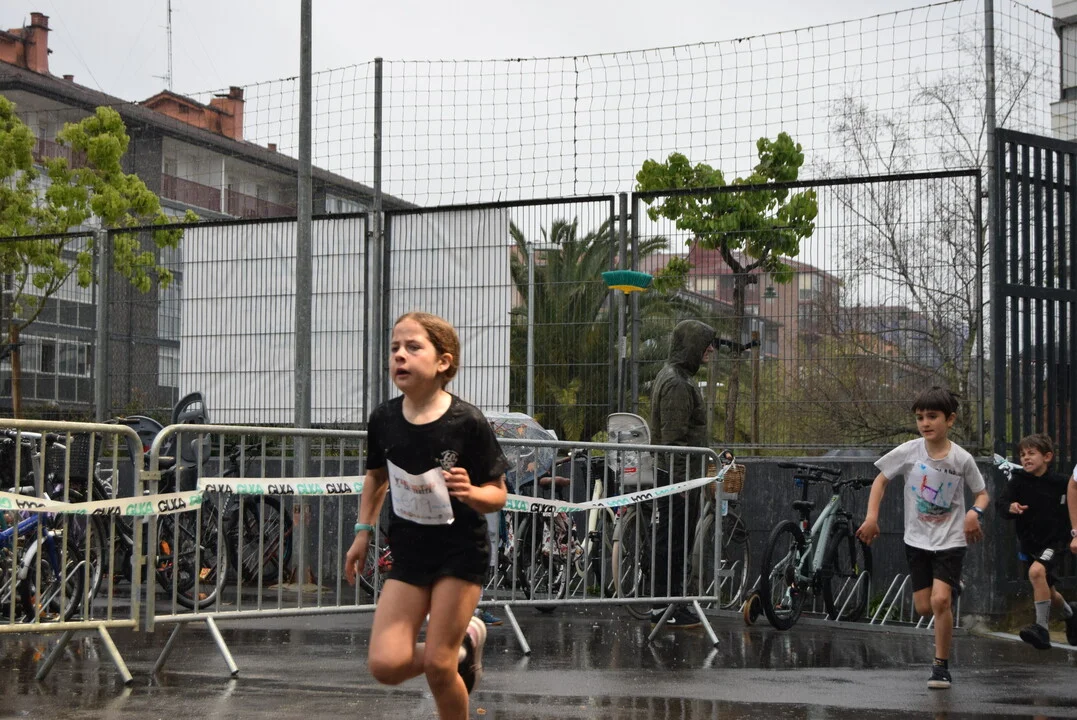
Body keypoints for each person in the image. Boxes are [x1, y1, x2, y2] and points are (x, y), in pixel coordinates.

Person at [344, 311, 509, 720]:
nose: (399, 355)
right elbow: (377, 477)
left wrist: (471, 492)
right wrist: (363, 532)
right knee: (385, 666)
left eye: (413, 347)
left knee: (438, 666)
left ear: (443, 362)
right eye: (395, 348)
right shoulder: (384, 419)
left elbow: (498, 494)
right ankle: (464, 645)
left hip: (460, 553)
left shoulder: (467, 421)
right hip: (410, 554)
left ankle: (453, 654)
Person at [856, 386, 989, 690]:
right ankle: (953, 588)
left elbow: (981, 493)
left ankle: (940, 666)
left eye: (932, 416)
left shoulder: (962, 458)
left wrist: (974, 513)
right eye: (920, 417)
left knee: (940, 601)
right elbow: (880, 481)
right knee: (924, 607)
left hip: (951, 540)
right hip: (917, 540)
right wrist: (872, 517)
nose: (925, 423)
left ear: (950, 419)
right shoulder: (909, 451)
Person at [648, 318, 716, 629]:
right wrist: (682, 484)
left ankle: (669, 604)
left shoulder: (675, 377)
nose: (709, 350)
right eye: (704, 344)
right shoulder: (677, 383)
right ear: (691, 347)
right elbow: (675, 441)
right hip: (678, 477)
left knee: (673, 540)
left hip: (677, 475)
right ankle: (666, 607)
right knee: (673, 542)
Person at [996, 433, 1077, 649]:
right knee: (1047, 589)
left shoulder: (1061, 483)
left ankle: (1042, 629)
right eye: (1022, 454)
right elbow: (1001, 504)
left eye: (1031, 453)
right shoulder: (1017, 481)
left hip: (1056, 542)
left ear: (1047, 457)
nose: (1026, 458)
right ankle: (1071, 614)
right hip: (1030, 544)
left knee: (1036, 572)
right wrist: (1011, 507)